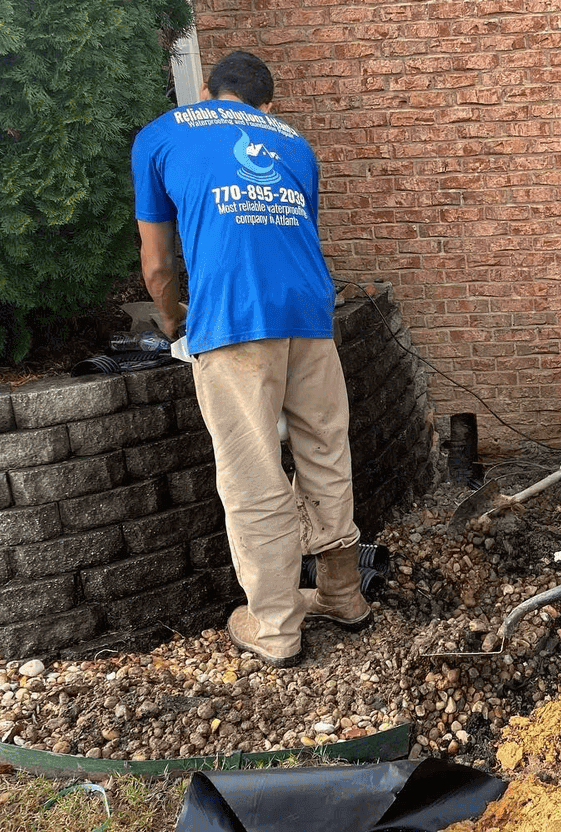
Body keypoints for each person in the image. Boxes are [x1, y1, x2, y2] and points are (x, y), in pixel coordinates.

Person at [132, 50, 370, 668]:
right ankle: (343, 594)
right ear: (268, 105)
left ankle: (275, 627)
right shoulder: (295, 143)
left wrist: (172, 318)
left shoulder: (161, 134)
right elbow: (291, 235)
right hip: (309, 314)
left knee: (253, 472)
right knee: (325, 452)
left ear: (207, 91)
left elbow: (157, 265)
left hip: (233, 319)